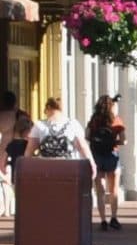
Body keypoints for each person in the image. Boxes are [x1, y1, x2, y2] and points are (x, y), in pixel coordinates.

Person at [86, 95, 126, 229]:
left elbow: (87, 135)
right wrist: (115, 142)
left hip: (97, 155)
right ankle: (113, 217)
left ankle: (103, 220)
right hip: (112, 155)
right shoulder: (116, 120)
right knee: (114, 189)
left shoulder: (94, 119)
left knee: (100, 190)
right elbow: (124, 140)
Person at [26, 95, 93, 167]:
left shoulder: (39, 125)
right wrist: (92, 164)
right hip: (69, 168)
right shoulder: (73, 124)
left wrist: (26, 167)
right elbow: (82, 146)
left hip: (46, 170)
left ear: (48, 108)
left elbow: (29, 151)